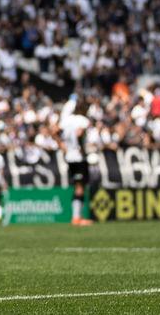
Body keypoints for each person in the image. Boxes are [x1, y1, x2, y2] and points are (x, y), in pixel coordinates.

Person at [59, 94, 93, 226]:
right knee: (80, 187)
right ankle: (76, 218)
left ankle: (77, 217)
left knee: (77, 186)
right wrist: (81, 147)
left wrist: (62, 145)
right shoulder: (83, 120)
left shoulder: (67, 120)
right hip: (78, 157)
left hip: (69, 157)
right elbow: (79, 133)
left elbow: (55, 131)